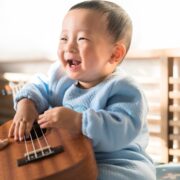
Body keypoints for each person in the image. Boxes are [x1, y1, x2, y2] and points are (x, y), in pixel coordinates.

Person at [8, 1, 156, 179]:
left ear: (114, 54)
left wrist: (79, 121)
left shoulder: (124, 89)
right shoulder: (60, 75)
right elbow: (39, 85)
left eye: (82, 39)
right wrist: (27, 103)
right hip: (66, 154)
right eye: (64, 38)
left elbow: (121, 128)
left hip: (114, 160)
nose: (69, 47)